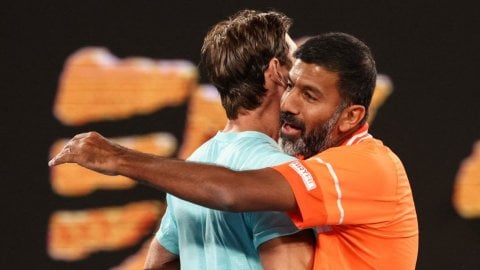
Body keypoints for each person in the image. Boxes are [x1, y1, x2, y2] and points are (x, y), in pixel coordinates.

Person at [49, 32, 419, 269]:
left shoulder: (368, 166)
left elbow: (232, 192)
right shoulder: (294, 161)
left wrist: (119, 158)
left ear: (350, 116)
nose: (289, 103)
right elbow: (164, 259)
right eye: (290, 85)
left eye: (310, 96)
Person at [145, 9, 316, 269]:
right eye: (295, 61)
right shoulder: (277, 175)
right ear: (275, 71)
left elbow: (157, 264)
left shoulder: (193, 166)